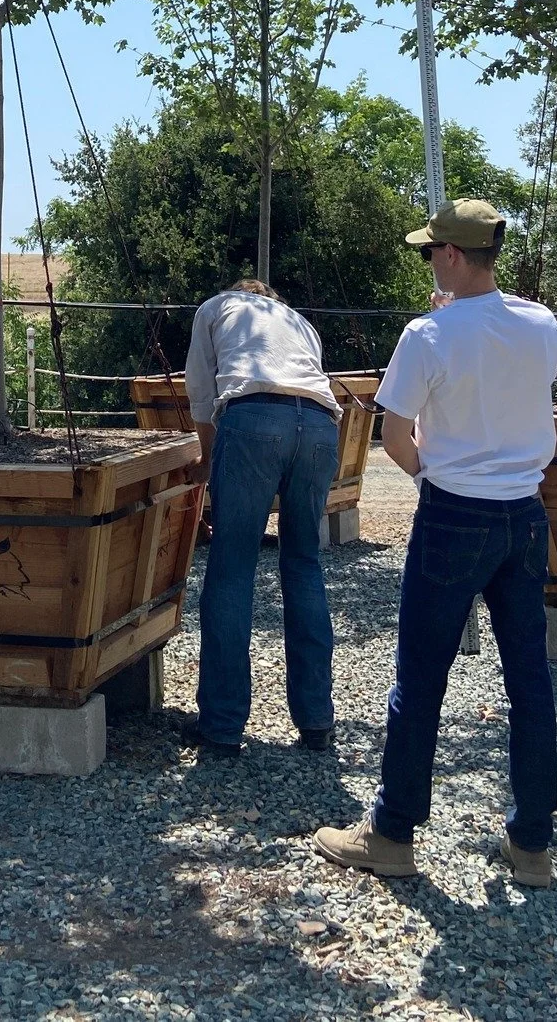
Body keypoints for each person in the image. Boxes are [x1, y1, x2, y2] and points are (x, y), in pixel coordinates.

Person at [315, 200, 557, 888]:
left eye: (432, 251)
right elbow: (502, 364)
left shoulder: (426, 333)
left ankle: (392, 832)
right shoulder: (542, 325)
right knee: (529, 680)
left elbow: (394, 435)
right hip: (525, 511)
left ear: (452, 255)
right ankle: (533, 845)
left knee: (421, 678)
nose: (429, 258)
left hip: (456, 511)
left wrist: (432, 472)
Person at [181, 279, 343, 757]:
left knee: (233, 568)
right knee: (303, 563)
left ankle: (222, 726)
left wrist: (209, 462)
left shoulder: (215, 307)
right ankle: (317, 721)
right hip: (318, 426)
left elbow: (201, 391)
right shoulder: (300, 322)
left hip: (251, 418)